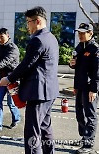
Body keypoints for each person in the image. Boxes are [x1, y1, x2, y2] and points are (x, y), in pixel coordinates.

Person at [0, 6, 59, 154]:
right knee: (45, 128)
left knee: (32, 133)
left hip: (38, 93)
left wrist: (8, 78)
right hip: (49, 91)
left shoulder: (37, 40)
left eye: (28, 22)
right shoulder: (51, 37)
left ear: (37, 21)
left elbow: (26, 64)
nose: (27, 26)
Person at [69, 23, 99, 154]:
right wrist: (72, 65)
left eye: (83, 33)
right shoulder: (79, 47)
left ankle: (88, 144)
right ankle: (83, 137)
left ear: (90, 33)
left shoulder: (95, 49)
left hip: (90, 87)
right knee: (79, 114)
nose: (80, 35)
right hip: (80, 86)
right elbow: (78, 69)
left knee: (90, 115)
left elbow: (97, 72)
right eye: (79, 33)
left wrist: (94, 89)